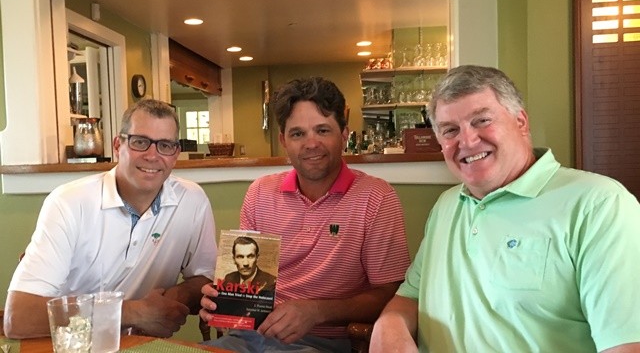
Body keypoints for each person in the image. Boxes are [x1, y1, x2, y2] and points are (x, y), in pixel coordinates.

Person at [371, 65, 640, 353]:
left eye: (482, 120)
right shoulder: (446, 206)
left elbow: (624, 345)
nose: (467, 141)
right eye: (450, 130)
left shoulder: (600, 204)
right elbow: (410, 298)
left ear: (521, 122)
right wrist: (389, 325)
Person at [200, 76, 411, 353]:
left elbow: (389, 293)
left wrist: (316, 312)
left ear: (344, 135)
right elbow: (249, 280)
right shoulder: (260, 192)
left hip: (326, 344)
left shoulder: (376, 197)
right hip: (249, 339)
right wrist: (223, 301)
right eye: (298, 134)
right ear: (283, 140)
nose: (311, 144)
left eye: (322, 130)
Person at [4, 99, 217, 339]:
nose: (152, 155)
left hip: (141, 345)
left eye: (165, 145)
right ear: (118, 145)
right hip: (71, 344)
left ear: (176, 153)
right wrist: (134, 312)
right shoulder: (68, 202)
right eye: (140, 142)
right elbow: (18, 318)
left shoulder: (192, 200)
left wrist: (174, 298)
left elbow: (205, 277)